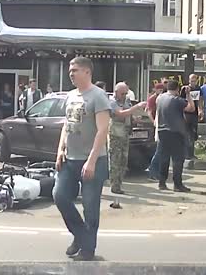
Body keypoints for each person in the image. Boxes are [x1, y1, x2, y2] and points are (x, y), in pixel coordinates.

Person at [53, 57, 111, 261]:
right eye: (70, 70)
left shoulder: (98, 96)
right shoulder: (70, 96)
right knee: (59, 196)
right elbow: (66, 126)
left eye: (75, 70)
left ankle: (88, 250)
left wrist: (92, 161)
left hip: (93, 160)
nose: (71, 73)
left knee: (90, 206)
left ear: (87, 72)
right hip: (69, 159)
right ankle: (80, 236)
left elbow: (103, 129)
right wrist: (60, 150)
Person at [155, 79, 195, 192]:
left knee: (164, 158)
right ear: (177, 89)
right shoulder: (177, 100)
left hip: (162, 131)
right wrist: (188, 94)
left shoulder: (160, 98)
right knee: (178, 159)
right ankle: (177, 184)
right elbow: (191, 108)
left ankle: (161, 183)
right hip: (175, 132)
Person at [108, 82, 146, 194]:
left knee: (123, 161)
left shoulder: (127, 100)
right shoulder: (111, 102)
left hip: (125, 133)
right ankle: (114, 186)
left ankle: (119, 184)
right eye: (122, 94)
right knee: (115, 161)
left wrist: (135, 119)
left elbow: (128, 114)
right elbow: (120, 114)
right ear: (116, 92)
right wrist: (137, 106)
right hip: (115, 134)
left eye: (126, 93)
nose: (124, 96)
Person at [146, 83, 165, 180]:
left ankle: (156, 171)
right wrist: (153, 122)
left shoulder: (163, 98)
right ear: (155, 90)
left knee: (159, 150)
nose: (161, 91)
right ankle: (152, 171)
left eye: (162, 89)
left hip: (161, 124)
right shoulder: (152, 99)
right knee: (159, 150)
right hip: (156, 124)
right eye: (159, 89)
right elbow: (149, 112)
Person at [180, 74, 201, 160]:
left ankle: (191, 154)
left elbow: (200, 100)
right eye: (191, 81)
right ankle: (185, 154)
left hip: (195, 114)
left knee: (193, 134)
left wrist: (200, 110)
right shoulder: (184, 89)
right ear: (189, 81)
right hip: (187, 113)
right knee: (186, 133)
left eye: (194, 80)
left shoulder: (198, 89)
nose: (193, 82)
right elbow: (181, 100)